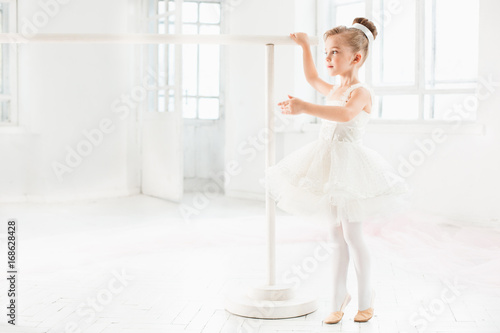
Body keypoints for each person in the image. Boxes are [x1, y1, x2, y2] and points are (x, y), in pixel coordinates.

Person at [263, 17, 412, 324]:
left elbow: (344, 114)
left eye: (334, 52)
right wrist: (305, 45)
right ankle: (337, 299)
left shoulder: (361, 92)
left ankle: (365, 300)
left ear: (356, 58)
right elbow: (312, 77)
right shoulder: (333, 88)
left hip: (350, 169)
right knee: (334, 235)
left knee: (353, 235)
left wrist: (305, 108)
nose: (328, 58)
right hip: (326, 165)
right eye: (326, 52)